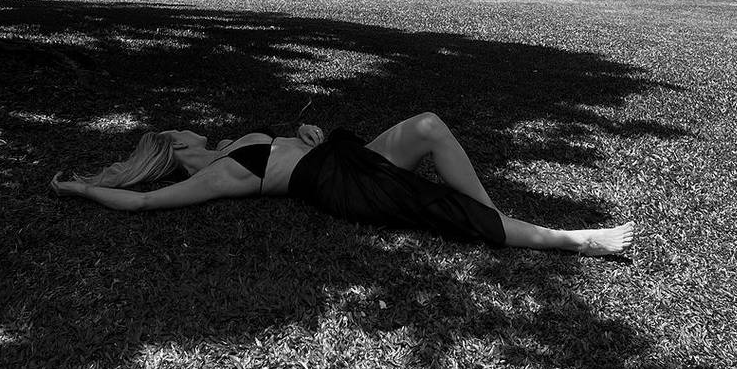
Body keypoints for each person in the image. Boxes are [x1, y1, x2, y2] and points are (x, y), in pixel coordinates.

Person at [51, 111, 635, 258]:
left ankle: (489, 216)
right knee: (437, 208)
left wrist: (306, 134)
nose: (187, 126)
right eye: (178, 130)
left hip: (340, 154)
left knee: (429, 126)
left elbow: (289, 149)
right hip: (337, 186)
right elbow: (147, 200)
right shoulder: (217, 173)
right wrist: (82, 188)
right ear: (176, 149)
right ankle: (574, 240)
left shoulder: (234, 145)